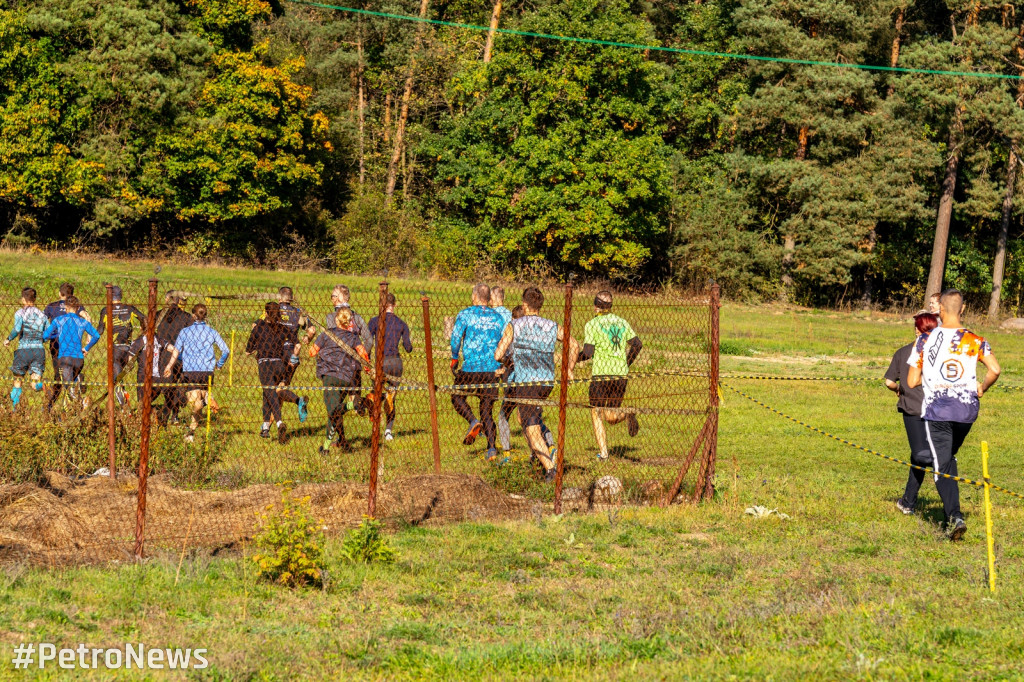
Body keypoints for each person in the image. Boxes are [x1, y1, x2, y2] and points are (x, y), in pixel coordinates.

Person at [907, 289, 1001, 541]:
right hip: (967, 411)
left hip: (938, 411)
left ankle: (954, 517)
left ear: (939, 310)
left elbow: (912, 380)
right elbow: (995, 369)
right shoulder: (975, 339)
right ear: (962, 309)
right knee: (948, 458)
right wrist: (981, 387)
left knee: (941, 466)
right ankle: (953, 507)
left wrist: (931, 378)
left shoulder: (924, 340)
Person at [494, 286, 578, 480]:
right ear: (540, 306)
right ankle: (537, 455)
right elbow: (574, 345)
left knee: (531, 429)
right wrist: (568, 368)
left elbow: (498, 354)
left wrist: (507, 360)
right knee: (524, 420)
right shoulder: (552, 326)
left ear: (524, 305)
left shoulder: (515, 325)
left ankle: (551, 469)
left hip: (526, 383)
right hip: (546, 382)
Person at [577, 290, 643, 460]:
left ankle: (604, 454)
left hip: (601, 374)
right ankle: (627, 413)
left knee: (597, 413)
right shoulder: (621, 322)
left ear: (596, 306)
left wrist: (574, 359)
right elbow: (637, 344)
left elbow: (588, 352)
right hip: (620, 375)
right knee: (611, 417)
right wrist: (625, 363)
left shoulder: (592, 324)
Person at [885, 311, 938, 516]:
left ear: (916, 329)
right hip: (938, 410)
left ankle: (943, 464)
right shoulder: (940, 353)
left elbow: (889, 381)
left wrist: (897, 389)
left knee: (921, 454)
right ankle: (908, 501)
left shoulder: (903, 352)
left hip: (914, 410)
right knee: (919, 455)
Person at [450, 283, 506, 461]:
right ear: (489, 299)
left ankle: (473, 421)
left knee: (457, 396)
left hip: (471, 368)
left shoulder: (466, 314)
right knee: (487, 409)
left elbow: (456, 337)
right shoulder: (498, 317)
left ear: (474, 296)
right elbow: (505, 340)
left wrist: (454, 357)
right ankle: (491, 450)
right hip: (491, 369)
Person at [496, 304, 556, 456]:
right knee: (531, 419)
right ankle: (547, 447)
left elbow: (503, 356)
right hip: (535, 382)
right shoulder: (535, 336)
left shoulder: (513, 333)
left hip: (515, 384)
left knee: (504, 416)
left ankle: (507, 454)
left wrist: (504, 366)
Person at [309, 308, 369, 452]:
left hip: (329, 377)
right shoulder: (354, 338)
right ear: (349, 322)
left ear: (336, 320)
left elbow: (312, 352)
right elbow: (363, 354)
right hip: (346, 378)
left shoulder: (326, 334)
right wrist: (368, 370)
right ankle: (333, 444)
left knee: (333, 411)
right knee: (336, 411)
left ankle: (351, 405)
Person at [247, 302, 305, 444]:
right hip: (279, 364)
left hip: (265, 363)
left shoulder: (259, 327)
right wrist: (293, 358)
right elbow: (297, 345)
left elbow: (248, 351)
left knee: (270, 392)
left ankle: (279, 423)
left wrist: (257, 347)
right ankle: (266, 427)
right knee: (267, 393)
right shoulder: (283, 328)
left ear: (266, 313)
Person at [174, 304, 231, 442]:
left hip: (191, 371)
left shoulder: (185, 332)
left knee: (195, 401)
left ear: (193, 316)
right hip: (207, 371)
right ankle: (191, 433)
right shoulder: (211, 331)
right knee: (199, 400)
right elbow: (226, 350)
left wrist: (184, 358)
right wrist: (219, 364)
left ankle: (192, 427)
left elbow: (177, 351)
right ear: (205, 315)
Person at [257, 287, 310, 422]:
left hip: (275, 353)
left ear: (279, 299)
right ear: (291, 299)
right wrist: (307, 338)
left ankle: (297, 401)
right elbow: (311, 329)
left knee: (272, 389)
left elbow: (255, 326)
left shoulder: (273, 310)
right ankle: (273, 425)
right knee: (281, 388)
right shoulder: (297, 312)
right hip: (292, 353)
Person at [42, 296, 100, 413]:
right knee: (72, 384)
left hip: (65, 359)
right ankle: (71, 410)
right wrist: (87, 347)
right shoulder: (82, 321)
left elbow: (45, 336)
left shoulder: (59, 320)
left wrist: (53, 336)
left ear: (66, 307)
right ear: (78, 308)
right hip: (79, 359)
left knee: (69, 389)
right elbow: (96, 336)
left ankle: (83, 403)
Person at [367, 293, 412, 441]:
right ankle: (388, 431)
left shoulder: (375, 321)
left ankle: (375, 424)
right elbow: (408, 347)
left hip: (381, 362)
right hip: (396, 363)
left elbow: (368, 342)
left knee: (376, 392)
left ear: (381, 305)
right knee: (392, 396)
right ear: (395, 305)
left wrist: (366, 357)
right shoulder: (401, 323)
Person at [96, 285, 144, 406]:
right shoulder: (130, 308)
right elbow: (145, 318)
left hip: (115, 350)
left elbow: (100, 330)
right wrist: (142, 334)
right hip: (129, 350)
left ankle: (124, 408)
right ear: (121, 296)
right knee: (119, 379)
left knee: (115, 380)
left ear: (110, 296)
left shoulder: (106, 310)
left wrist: (89, 339)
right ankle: (125, 398)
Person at [5, 287, 48, 409]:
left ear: (23, 299)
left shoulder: (20, 313)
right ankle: (42, 385)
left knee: (18, 380)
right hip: (39, 350)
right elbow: (48, 332)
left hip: (23, 349)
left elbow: (17, 329)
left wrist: (8, 339)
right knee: (34, 383)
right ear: (35, 299)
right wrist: (41, 340)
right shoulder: (43, 315)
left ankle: (15, 410)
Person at [127, 330, 180, 425]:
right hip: (156, 379)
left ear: (141, 328)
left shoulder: (139, 341)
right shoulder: (159, 340)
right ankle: (154, 419)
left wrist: (129, 366)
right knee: (146, 404)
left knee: (142, 405)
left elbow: (130, 361)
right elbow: (175, 350)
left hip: (143, 378)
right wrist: (169, 366)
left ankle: (152, 419)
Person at [155, 291, 193, 421]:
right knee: (177, 384)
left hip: (162, 353)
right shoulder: (187, 317)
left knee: (166, 386)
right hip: (180, 355)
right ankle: (174, 416)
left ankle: (163, 414)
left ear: (167, 300)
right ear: (179, 301)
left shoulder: (158, 315)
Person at [43, 283, 89, 381]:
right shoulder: (76, 306)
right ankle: (75, 381)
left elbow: (41, 321)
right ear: (72, 295)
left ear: (60, 293)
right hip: (72, 340)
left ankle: (67, 384)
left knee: (59, 369)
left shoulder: (52, 306)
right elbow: (87, 317)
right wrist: (88, 337)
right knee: (71, 365)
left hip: (55, 341)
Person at [324, 284, 373, 351]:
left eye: (334, 296)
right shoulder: (356, 317)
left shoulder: (331, 317)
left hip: (337, 358)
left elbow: (334, 340)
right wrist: (361, 356)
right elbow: (369, 341)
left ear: (343, 297)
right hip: (354, 358)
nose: (332, 298)